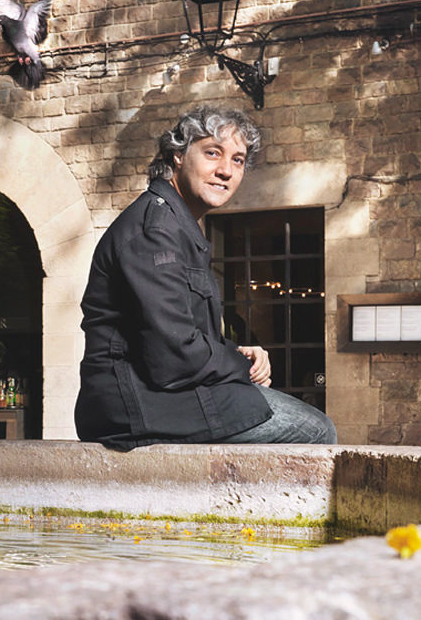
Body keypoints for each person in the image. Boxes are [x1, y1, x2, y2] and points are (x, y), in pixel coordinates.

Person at [75, 105, 338, 449]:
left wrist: (236, 354)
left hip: (166, 398)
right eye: (213, 153)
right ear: (178, 156)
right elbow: (175, 355)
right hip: (138, 405)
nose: (226, 171)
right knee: (316, 430)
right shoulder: (156, 231)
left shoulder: (178, 225)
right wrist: (241, 366)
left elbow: (180, 335)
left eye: (238, 160)